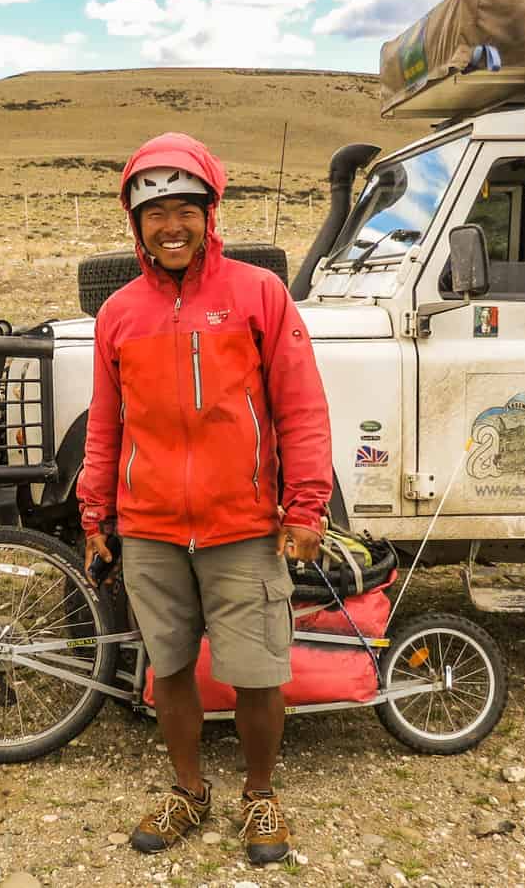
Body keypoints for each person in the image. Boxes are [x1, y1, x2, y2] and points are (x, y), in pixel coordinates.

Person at [77, 132, 333, 865]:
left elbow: (301, 406)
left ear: (209, 214)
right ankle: (188, 789)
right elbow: (105, 423)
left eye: (186, 209)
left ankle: (260, 792)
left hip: (242, 524)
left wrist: (306, 507)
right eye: (155, 213)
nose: (172, 226)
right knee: (169, 669)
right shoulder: (119, 313)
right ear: (136, 222)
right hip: (151, 528)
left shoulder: (258, 294)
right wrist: (95, 513)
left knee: (257, 672)